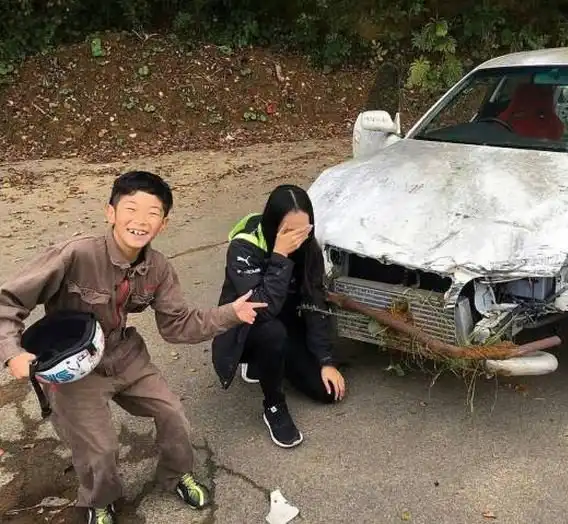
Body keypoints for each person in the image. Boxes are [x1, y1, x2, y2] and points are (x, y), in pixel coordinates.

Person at [0, 171, 267, 524]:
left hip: (124, 354)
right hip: (74, 367)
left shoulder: (158, 268)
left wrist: (231, 313)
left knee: (173, 414)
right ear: (110, 212)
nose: (140, 221)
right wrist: (13, 353)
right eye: (131, 208)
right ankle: (99, 500)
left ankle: (176, 474)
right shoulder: (76, 254)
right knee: (100, 449)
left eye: (152, 213)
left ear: (163, 223)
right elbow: (8, 301)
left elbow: (178, 324)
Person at [211, 184, 346, 449]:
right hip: (248, 327)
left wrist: (325, 360)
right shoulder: (243, 247)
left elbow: (315, 300)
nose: (297, 238)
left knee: (327, 393)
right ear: (273, 224)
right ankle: (274, 405)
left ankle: (268, 362)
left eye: (303, 230)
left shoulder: (309, 246)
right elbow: (263, 308)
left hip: (287, 321)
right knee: (271, 331)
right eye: (288, 231)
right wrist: (280, 255)